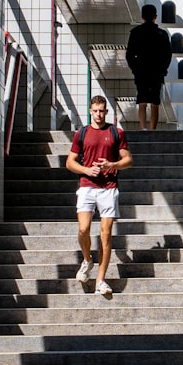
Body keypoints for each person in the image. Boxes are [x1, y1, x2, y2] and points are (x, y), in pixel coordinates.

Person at [66, 96, 132, 295]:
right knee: (83, 229)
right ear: (90, 111)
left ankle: (100, 280)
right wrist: (86, 170)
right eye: (95, 110)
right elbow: (70, 162)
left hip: (108, 188)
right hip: (87, 186)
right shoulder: (82, 133)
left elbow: (128, 160)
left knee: (105, 234)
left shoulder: (116, 132)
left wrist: (112, 165)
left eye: (102, 111)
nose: (98, 114)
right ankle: (87, 260)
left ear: (106, 112)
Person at [125, 3, 173, 130]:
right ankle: (152, 129)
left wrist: (135, 69)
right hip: (156, 72)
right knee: (155, 102)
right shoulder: (162, 34)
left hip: (141, 71)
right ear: (155, 17)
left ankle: (143, 128)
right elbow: (167, 55)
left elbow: (129, 54)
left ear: (142, 16)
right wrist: (163, 70)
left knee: (142, 101)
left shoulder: (135, 33)